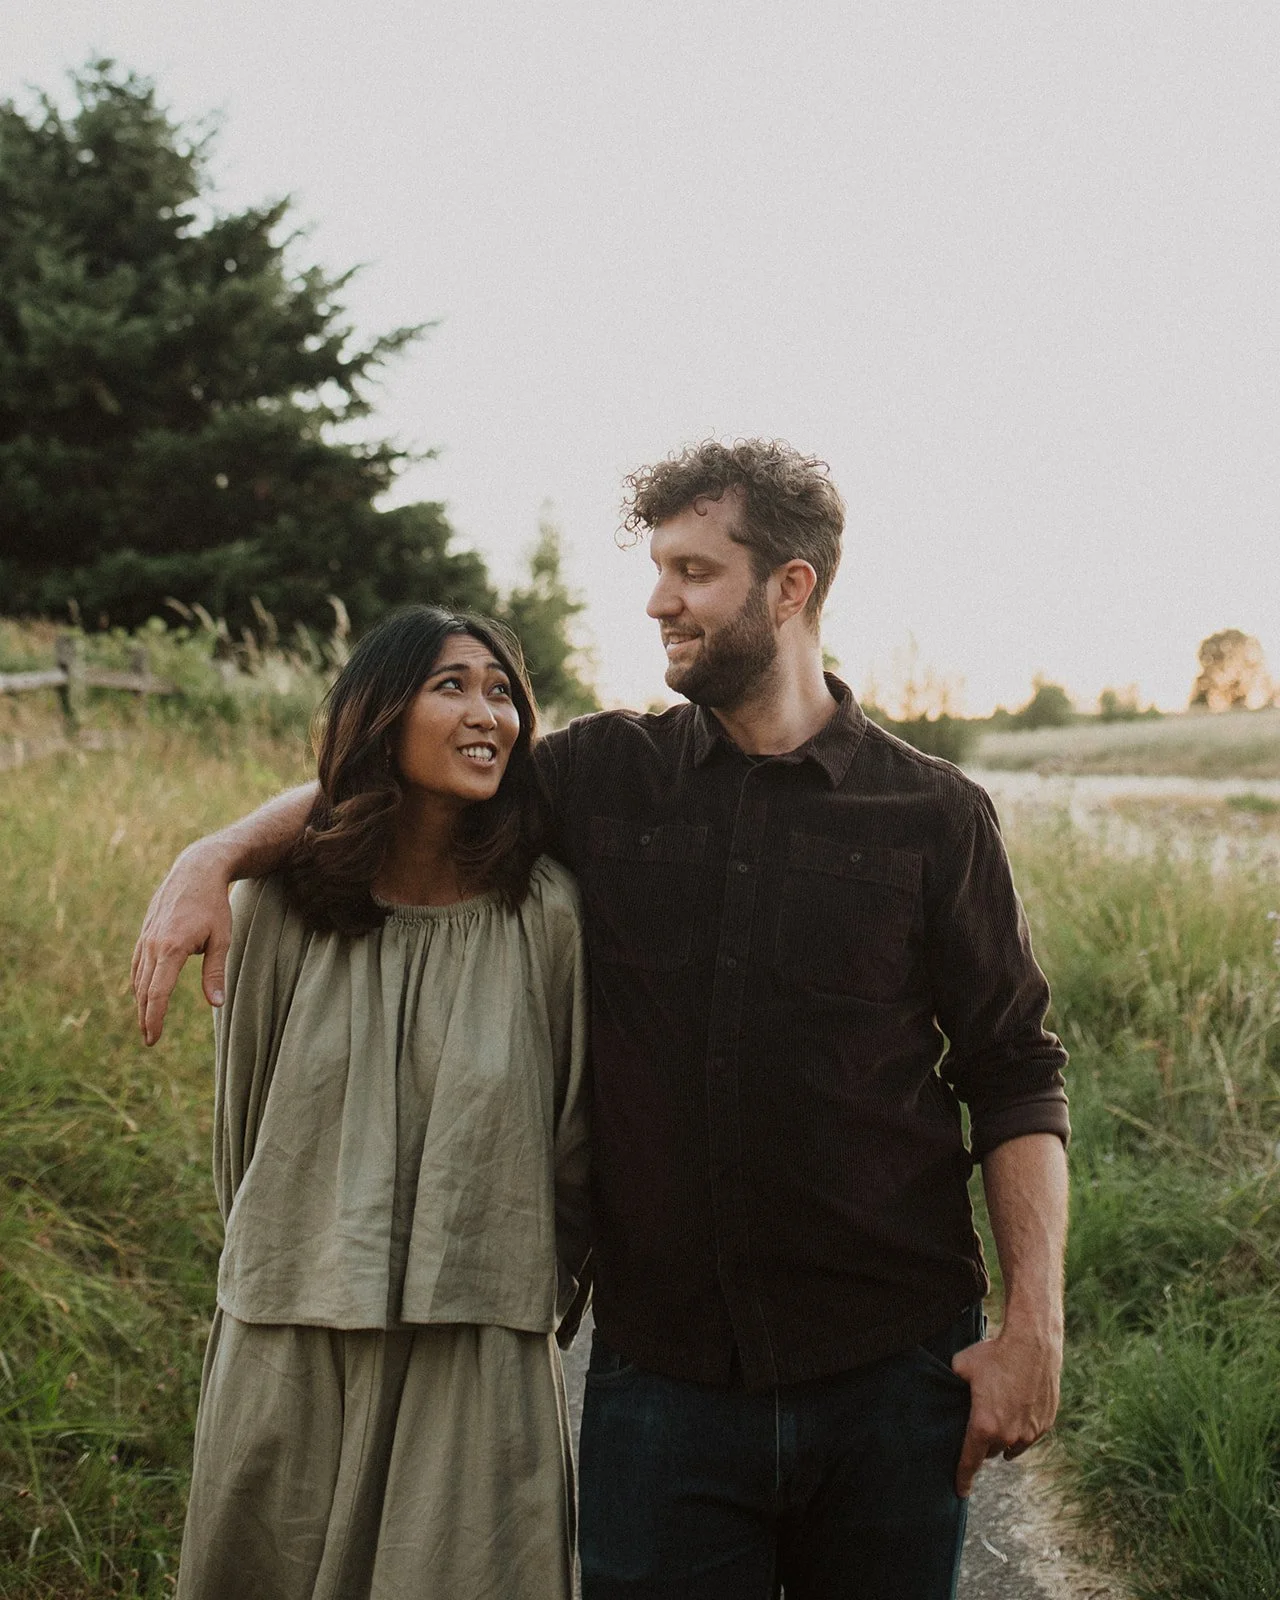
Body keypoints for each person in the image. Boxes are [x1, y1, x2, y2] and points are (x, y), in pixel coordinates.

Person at [135, 440, 1069, 1600]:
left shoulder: (933, 816)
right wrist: (214, 854)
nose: (657, 599)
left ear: (790, 587)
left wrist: (1033, 1323)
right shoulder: (599, 775)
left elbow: (1013, 1069)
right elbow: (405, 762)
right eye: (656, 567)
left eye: (691, 571)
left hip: (887, 1372)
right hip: (662, 1387)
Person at [169, 605, 590, 1600]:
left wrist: (502, 1280)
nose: (487, 711)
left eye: (502, 691)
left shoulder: (545, 914)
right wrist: (309, 1266)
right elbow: (243, 1139)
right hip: (291, 1335)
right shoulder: (273, 913)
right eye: (451, 684)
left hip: (475, 1353)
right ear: (378, 714)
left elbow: (570, 1146)